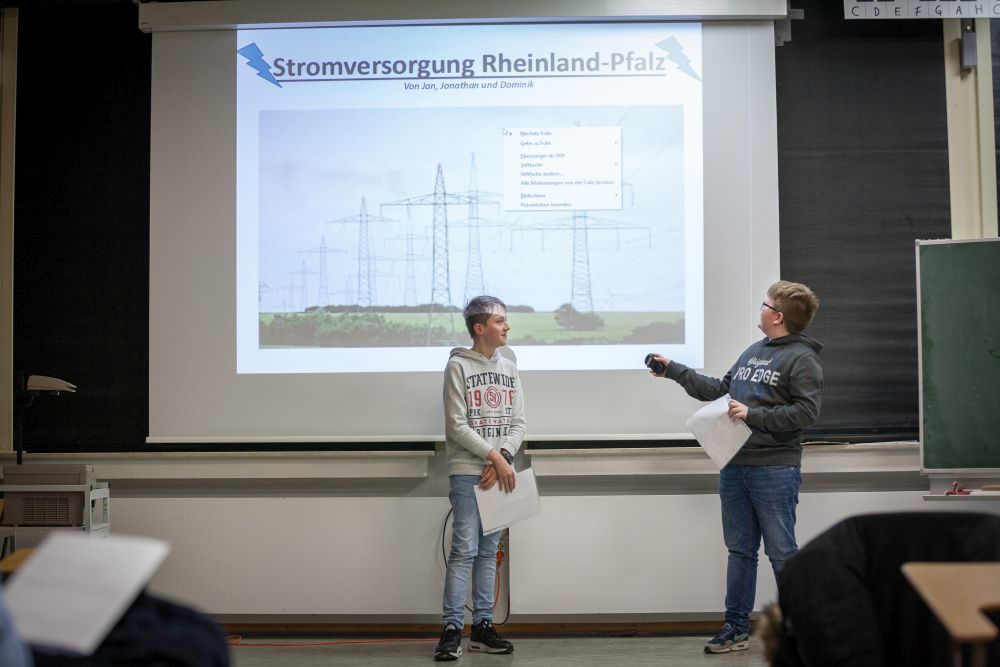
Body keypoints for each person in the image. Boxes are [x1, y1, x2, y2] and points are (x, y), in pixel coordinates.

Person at [648, 280, 822, 655]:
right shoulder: (754, 352)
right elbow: (719, 389)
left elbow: (806, 413)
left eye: (765, 304)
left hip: (775, 469)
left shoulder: (802, 359)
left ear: (778, 316)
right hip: (735, 464)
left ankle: (801, 631)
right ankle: (735, 628)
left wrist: (753, 414)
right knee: (740, 551)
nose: (760, 308)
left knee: (782, 552)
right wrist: (674, 370)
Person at [434, 295, 526, 661]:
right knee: (464, 551)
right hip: (467, 474)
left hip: (499, 472)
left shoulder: (510, 367)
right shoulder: (457, 366)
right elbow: (456, 425)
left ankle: (483, 626)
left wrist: (504, 458)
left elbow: (519, 423)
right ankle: (452, 629)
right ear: (479, 328)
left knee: (489, 552)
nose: (507, 327)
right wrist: (494, 457)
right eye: (500, 321)